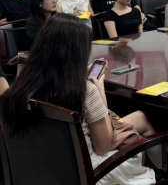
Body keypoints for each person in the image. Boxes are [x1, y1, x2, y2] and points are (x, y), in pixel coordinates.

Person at [0, 14, 157, 184]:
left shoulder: (20, 86)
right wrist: (99, 89)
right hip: (87, 174)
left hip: (39, 172)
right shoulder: (84, 90)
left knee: (138, 118)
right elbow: (103, 146)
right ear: (79, 53)